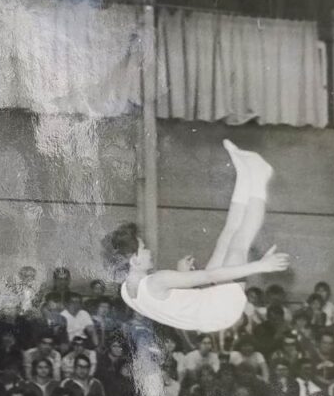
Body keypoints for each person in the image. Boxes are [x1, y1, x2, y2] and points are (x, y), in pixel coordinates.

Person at [120, 141, 289, 332]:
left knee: (226, 236)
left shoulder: (126, 291)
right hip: (219, 311)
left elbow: (170, 307)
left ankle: (244, 176)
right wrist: (261, 266)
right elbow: (209, 276)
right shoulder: (157, 280)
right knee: (238, 244)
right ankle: (260, 176)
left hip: (205, 306)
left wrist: (182, 275)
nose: (148, 251)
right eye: (143, 248)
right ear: (134, 260)